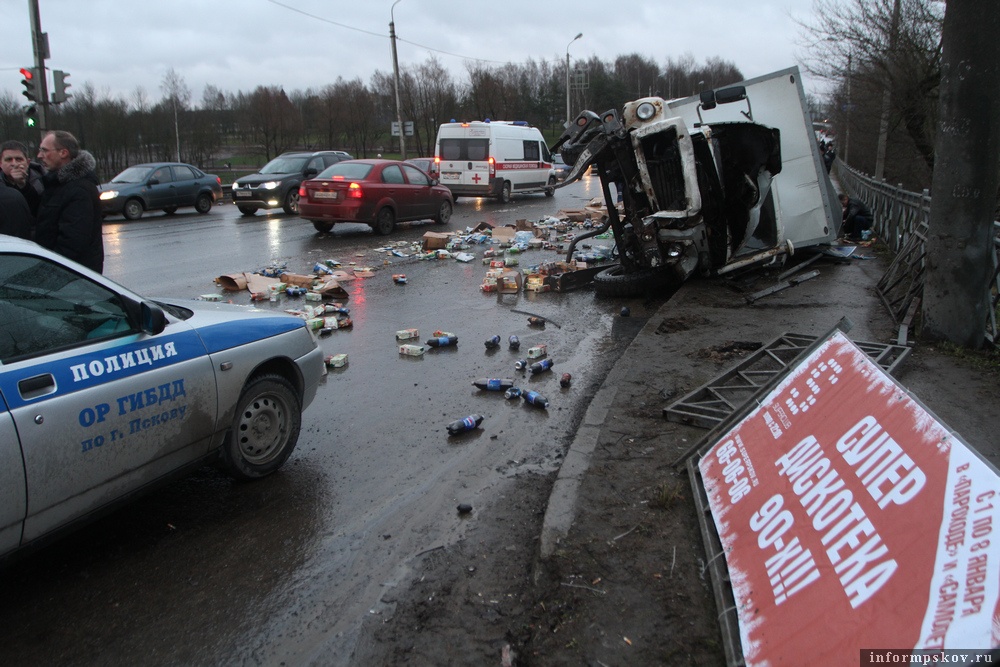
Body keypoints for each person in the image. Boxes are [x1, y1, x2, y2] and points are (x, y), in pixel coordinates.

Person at [35, 130, 104, 273]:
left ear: (63, 153)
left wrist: (46, 271)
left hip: (71, 278)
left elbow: (72, 244)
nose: (39, 155)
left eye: (44, 150)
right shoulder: (58, 185)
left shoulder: (79, 190)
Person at [1, 139, 44, 217]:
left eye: (19, 159)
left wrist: (23, 185)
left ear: (27, 163)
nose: (14, 164)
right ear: (0, 163)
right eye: (9, 159)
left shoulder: (42, 182)